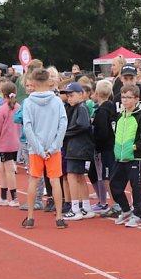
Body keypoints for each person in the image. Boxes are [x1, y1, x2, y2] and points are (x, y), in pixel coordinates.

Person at [21, 68, 68, 230]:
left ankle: (30, 217)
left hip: (36, 149)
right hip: (53, 149)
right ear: (49, 82)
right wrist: (54, 147)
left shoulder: (28, 102)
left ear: (32, 83)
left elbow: (27, 127)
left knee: (34, 180)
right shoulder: (57, 101)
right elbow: (63, 124)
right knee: (55, 181)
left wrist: (39, 149)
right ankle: (60, 217)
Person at [110, 84, 141, 227]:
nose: (125, 100)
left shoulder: (139, 117)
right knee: (114, 186)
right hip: (120, 158)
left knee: (136, 187)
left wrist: (134, 147)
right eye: (123, 97)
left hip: (134, 158)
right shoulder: (120, 117)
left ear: (136, 99)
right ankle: (126, 209)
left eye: (128, 97)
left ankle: (137, 214)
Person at [59, 82, 95, 221]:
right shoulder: (77, 108)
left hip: (77, 148)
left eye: (71, 95)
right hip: (77, 147)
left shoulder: (81, 108)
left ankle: (75, 209)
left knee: (73, 176)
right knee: (79, 177)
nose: (69, 98)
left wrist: (64, 134)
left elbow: (82, 125)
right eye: (67, 96)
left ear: (81, 94)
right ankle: (85, 207)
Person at [0, 81, 21, 207]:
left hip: (6, 144)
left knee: (9, 170)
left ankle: (14, 198)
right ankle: (3, 196)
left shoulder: (2, 109)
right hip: (15, 142)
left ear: (2, 94)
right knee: (2, 168)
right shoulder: (18, 107)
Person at [90, 80, 116, 215]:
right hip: (109, 147)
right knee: (101, 175)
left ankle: (115, 204)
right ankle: (107, 202)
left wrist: (95, 144)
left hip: (104, 148)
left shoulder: (102, 111)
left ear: (97, 93)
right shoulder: (111, 107)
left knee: (106, 177)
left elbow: (102, 133)